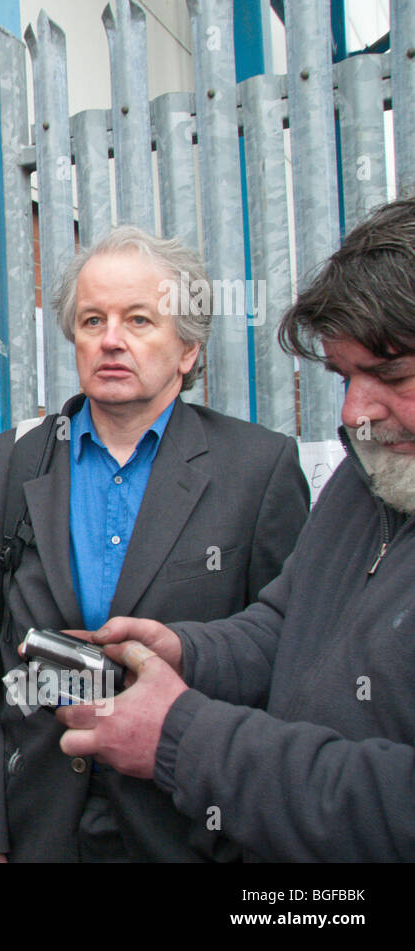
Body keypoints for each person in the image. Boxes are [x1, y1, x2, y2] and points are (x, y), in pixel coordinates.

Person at [0, 227, 309, 862]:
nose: (111, 340)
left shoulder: (260, 469)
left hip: (191, 828)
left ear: (188, 350)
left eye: (139, 319)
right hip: (38, 830)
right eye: (92, 320)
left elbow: (288, 661)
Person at [58, 196, 415, 862]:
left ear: (189, 350)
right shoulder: (364, 479)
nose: (356, 412)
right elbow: (285, 623)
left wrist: (183, 736)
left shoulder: (259, 464)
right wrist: (184, 650)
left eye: (390, 373)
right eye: (343, 376)